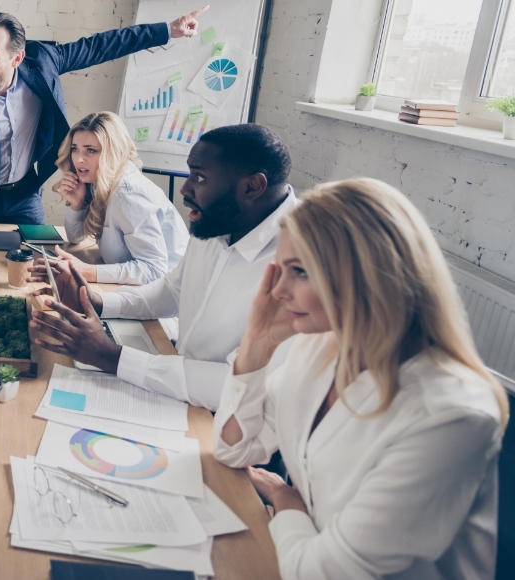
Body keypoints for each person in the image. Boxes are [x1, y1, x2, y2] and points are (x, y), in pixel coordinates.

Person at [215, 178, 507, 579]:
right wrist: (256, 345)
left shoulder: (447, 414)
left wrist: (286, 502)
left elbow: (324, 572)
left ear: (368, 277)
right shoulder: (320, 345)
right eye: (279, 270)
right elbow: (234, 450)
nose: (278, 291)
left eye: (299, 271)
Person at [30, 124, 298, 410]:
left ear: (252, 186)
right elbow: (172, 290)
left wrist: (113, 357)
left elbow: (240, 385)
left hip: (229, 421)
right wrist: (96, 302)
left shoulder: (303, 263)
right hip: (178, 386)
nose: (185, 188)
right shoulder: (220, 220)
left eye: (200, 177)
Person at [0, 7, 209, 254]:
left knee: (37, 264)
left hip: (25, 194)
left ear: (17, 59)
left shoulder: (43, 62)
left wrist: (166, 31)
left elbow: (99, 46)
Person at [52, 111, 188, 285]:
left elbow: (154, 269)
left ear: (113, 152)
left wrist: (87, 271)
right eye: (75, 149)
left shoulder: (128, 195)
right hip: (131, 289)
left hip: (164, 297)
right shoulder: (98, 181)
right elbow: (75, 238)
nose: (79, 159)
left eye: (90, 151)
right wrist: (77, 205)